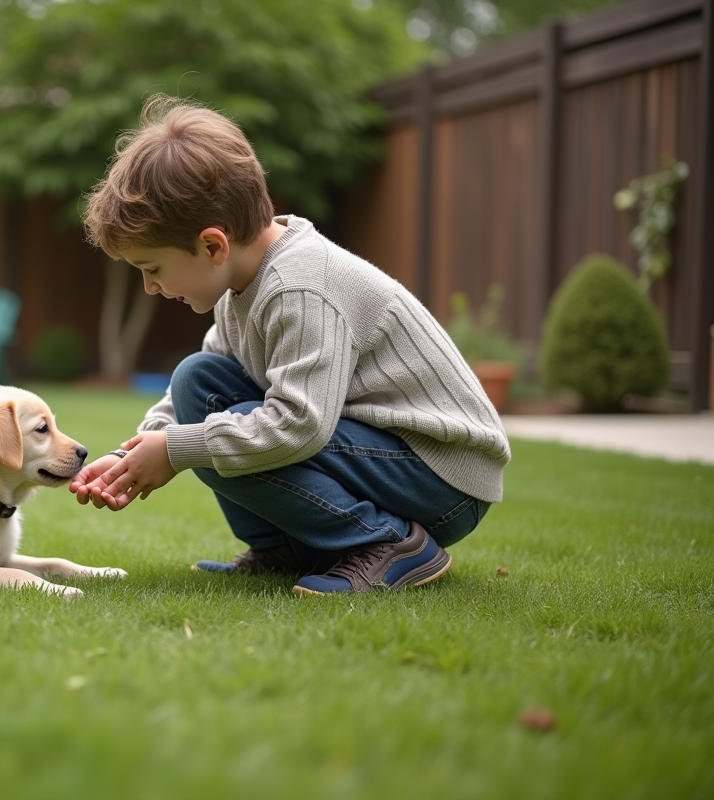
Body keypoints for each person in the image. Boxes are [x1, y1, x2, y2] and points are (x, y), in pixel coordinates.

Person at [69, 95, 510, 596]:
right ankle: (284, 550)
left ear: (212, 245)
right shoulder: (240, 285)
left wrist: (177, 449)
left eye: (152, 269)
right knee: (197, 380)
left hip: (440, 475)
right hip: (384, 457)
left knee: (220, 433)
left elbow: (299, 425)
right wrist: (132, 454)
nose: (150, 287)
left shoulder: (299, 287)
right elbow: (196, 392)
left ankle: (388, 542)